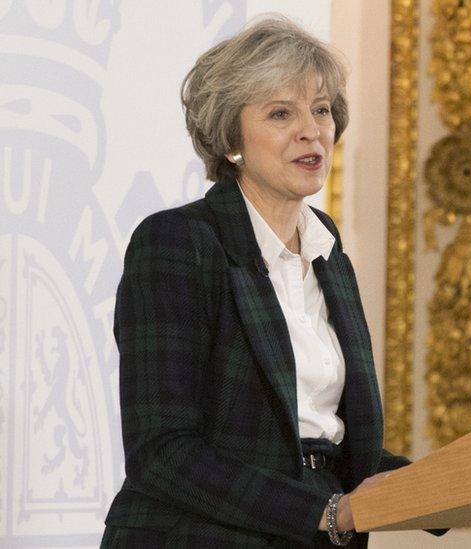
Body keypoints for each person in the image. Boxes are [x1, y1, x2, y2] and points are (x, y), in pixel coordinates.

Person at [101, 16, 444, 547]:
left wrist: (443, 482)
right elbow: (162, 451)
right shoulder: (178, 243)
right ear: (230, 138)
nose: (312, 130)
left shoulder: (328, 251)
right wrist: (327, 511)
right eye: (281, 113)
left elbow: (320, 436)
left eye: (322, 110)